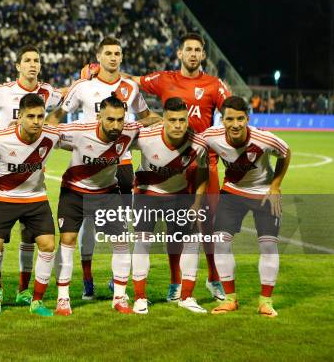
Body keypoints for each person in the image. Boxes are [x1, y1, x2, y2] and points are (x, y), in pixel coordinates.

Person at [81, 32, 229, 302]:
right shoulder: (164, 79)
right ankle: (175, 284)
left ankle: (214, 278)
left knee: (208, 225)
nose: (194, 54)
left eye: (198, 49)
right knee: (176, 228)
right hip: (169, 164)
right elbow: (130, 80)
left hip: (203, 163)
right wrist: (97, 69)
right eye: (189, 49)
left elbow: (230, 113)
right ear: (180, 54)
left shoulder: (214, 85)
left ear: (204, 55)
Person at [47, 36, 160, 300]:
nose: (113, 57)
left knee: (119, 227)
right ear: (98, 57)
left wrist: (166, 123)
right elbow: (57, 116)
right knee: (86, 226)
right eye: (108, 53)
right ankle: (87, 280)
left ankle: (115, 280)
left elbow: (146, 118)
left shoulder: (130, 88)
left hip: (122, 165)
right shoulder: (83, 88)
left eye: (117, 53)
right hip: (89, 162)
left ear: (121, 57)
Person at [0, 44, 64, 306]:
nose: (33, 64)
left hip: (35, 176)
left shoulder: (48, 93)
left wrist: (88, 79)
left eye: (37, 60)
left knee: (31, 238)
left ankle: (26, 291)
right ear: (18, 66)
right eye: (27, 60)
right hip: (5, 167)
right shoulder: (4, 92)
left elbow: (68, 99)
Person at [203, 96, 291, 317]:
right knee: (220, 243)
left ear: (247, 119)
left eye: (240, 119)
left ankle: (265, 302)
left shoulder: (264, 138)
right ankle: (230, 299)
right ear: (222, 120)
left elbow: (285, 152)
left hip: (264, 195)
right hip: (232, 192)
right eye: (229, 119)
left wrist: (275, 186)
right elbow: (191, 144)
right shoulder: (211, 136)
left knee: (268, 246)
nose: (235, 124)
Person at [55, 94, 140, 315]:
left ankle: (119, 297)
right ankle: (63, 299)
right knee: (67, 241)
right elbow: (48, 133)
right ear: (99, 116)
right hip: (73, 192)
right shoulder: (78, 130)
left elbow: (155, 128)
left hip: (106, 194)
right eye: (110, 119)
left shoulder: (128, 132)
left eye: (120, 120)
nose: (116, 125)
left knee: (121, 241)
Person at [130, 97, 209, 314]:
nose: (177, 125)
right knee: (142, 242)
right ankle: (139, 298)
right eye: (172, 120)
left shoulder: (199, 144)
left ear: (187, 120)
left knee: (192, 241)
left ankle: (187, 297)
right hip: (148, 194)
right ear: (163, 119)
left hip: (180, 196)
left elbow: (203, 172)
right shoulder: (145, 137)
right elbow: (118, 146)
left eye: (182, 120)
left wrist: (197, 202)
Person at [0, 93, 59, 317]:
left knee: (47, 245)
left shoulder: (52, 135)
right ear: (20, 116)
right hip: (3, 198)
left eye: (40, 116)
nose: (36, 121)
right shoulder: (0, 138)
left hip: (36, 198)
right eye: (31, 116)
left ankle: (36, 300)